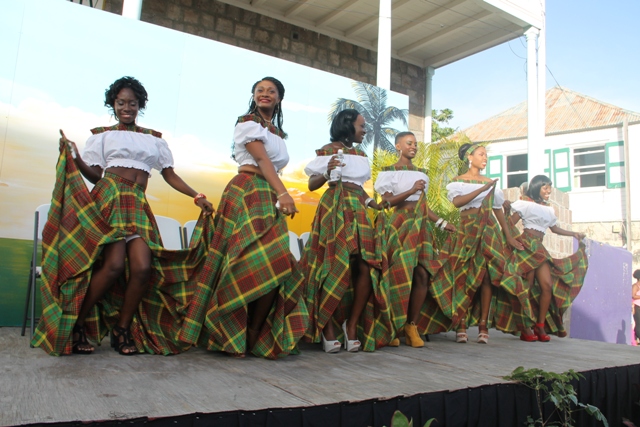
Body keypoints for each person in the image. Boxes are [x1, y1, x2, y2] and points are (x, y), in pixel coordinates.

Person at [33, 76, 214, 356]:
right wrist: (76, 157)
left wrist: (196, 195)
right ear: (113, 105)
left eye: (132, 103)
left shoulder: (154, 140)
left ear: (140, 105)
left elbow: (169, 175)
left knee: (143, 268)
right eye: (120, 103)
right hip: (110, 199)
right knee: (114, 265)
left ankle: (122, 329)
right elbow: (96, 175)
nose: (126, 107)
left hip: (138, 204)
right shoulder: (102, 136)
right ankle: (78, 325)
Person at [178, 77, 308, 359]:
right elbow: (261, 161)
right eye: (260, 90)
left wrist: (278, 195)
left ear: (278, 99)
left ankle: (252, 333)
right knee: (239, 262)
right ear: (253, 95)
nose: (265, 94)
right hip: (246, 191)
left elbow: (272, 165)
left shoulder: (276, 132)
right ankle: (229, 334)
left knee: (277, 266)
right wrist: (284, 193)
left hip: (268, 198)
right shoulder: (246, 123)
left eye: (271, 91)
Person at [300, 108, 392, 353]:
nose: (364, 130)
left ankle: (350, 324)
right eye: (362, 126)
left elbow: (359, 188)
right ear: (347, 125)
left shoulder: (360, 154)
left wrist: (375, 204)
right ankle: (326, 325)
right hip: (334, 206)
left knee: (365, 265)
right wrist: (328, 169)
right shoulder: (327, 150)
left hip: (358, 209)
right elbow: (312, 185)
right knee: (332, 262)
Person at [374, 132, 455, 347]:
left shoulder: (422, 174)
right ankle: (391, 327)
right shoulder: (388, 172)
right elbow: (387, 202)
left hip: (421, 227)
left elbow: (424, 206)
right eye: (409, 143)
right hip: (400, 224)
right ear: (398, 146)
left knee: (422, 274)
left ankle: (411, 326)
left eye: (416, 144)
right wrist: (411, 189)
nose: (414, 147)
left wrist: (443, 223)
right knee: (397, 274)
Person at [447, 143, 531, 344]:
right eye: (481, 154)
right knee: (464, 274)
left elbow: (498, 211)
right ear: (469, 157)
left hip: (489, 229)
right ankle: (461, 323)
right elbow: (457, 203)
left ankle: (483, 326)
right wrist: (483, 189)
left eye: (486, 155)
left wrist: (509, 236)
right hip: (467, 228)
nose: (485, 158)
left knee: (486, 276)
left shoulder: (491, 183)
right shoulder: (458, 182)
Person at [505, 174, 588, 341]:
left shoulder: (549, 209)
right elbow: (509, 224)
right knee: (526, 285)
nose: (549, 191)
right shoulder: (525, 204)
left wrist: (574, 234)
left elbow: (555, 229)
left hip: (539, 248)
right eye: (545, 187)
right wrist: (507, 218)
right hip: (526, 245)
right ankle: (525, 326)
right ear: (537, 188)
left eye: (549, 187)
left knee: (547, 285)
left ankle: (540, 325)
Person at [632, 270, 640, 344]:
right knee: (638, 323)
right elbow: (633, 295)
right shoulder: (635, 286)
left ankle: (635, 337)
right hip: (637, 307)